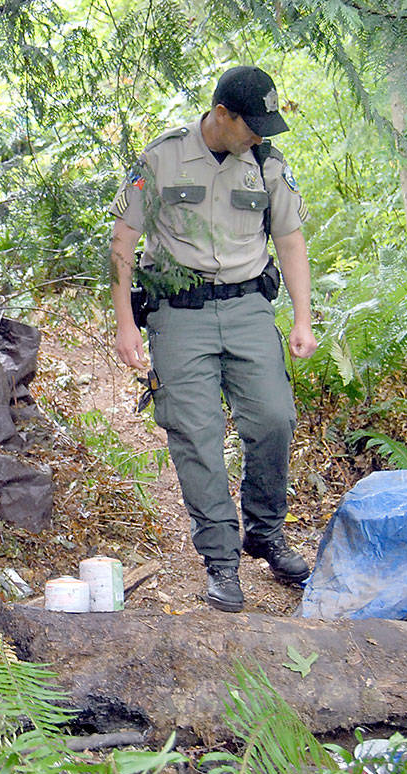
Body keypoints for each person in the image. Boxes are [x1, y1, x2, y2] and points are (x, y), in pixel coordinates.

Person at [107, 65, 319, 613]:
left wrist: (303, 318)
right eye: (253, 124)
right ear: (221, 114)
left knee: (275, 418)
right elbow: (124, 240)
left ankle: (265, 532)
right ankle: (221, 560)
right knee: (196, 437)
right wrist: (125, 323)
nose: (261, 135)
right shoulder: (162, 159)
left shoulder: (269, 163)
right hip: (179, 315)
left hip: (249, 307)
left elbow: (290, 240)